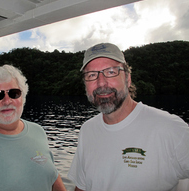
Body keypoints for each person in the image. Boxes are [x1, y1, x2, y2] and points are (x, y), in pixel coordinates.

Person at [68, 43, 189, 191]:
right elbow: (82, 187)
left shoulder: (171, 129)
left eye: (111, 72)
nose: (101, 83)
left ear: (127, 78)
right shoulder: (87, 130)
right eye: (92, 75)